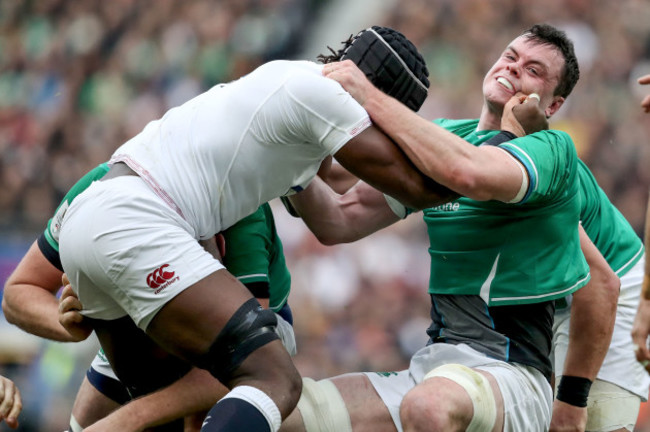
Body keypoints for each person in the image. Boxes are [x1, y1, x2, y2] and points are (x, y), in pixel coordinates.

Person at [55, 25, 452, 432]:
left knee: (167, 409)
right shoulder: (326, 96)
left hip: (95, 217)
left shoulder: (288, 86)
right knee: (274, 379)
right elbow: (422, 184)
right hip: (143, 222)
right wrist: (488, 157)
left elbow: (334, 217)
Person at [280, 24, 619, 432]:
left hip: (511, 377)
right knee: (284, 412)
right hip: (434, 368)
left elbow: (469, 171)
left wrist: (368, 95)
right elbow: (337, 219)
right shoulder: (444, 137)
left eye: (533, 70)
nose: (512, 68)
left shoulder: (552, 150)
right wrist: (290, 153)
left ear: (553, 104)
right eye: (509, 56)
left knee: (428, 407)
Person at [3, 162, 297, 430]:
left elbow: (250, 354)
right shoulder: (99, 188)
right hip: (140, 316)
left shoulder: (240, 204)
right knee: (85, 425)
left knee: (206, 414)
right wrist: (64, 322)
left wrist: (130, 417)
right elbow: (18, 292)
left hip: (259, 325)